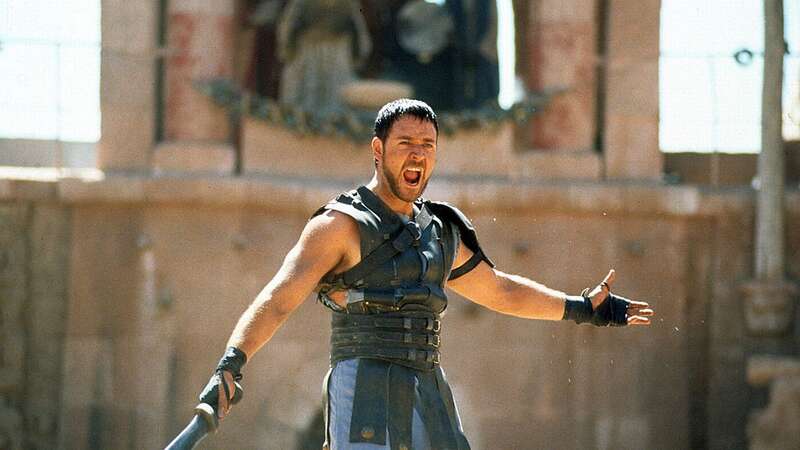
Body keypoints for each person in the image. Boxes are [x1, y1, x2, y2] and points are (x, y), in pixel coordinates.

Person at [198, 99, 654, 449]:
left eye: (427, 147)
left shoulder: (439, 231)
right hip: (365, 388)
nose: (417, 157)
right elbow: (279, 297)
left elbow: (501, 291)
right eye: (405, 145)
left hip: (427, 388)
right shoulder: (338, 227)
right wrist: (231, 363)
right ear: (378, 150)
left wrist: (582, 308)